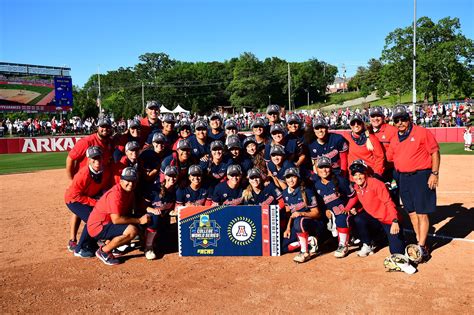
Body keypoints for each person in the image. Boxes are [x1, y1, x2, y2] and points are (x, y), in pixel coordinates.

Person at [386, 105, 440, 262]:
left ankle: (422, 247)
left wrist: (434, 174)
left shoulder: (422, 132)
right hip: (403, 178)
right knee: (411, 213)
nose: (400, 122)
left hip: (421, 176)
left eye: (403, 119)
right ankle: (419, 242)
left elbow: (435, 152)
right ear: (394, 122)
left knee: (422, 212)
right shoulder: (394, 138)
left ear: (408, 119)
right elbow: (389, 157)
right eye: (397, 120)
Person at [87, 167, 151, 265]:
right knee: (132, 231)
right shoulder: (116, 194)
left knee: (137, 223)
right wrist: (139, 221)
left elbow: (128, 213)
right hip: (98, 227)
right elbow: (116, 220)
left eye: (133, 180)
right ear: (121, 180)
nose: (131, 183)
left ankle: (111, 244)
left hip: (107, 223)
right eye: (128, 180)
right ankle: (103, 251)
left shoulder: (129, 192)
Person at [349, 160, 406, 257]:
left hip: (387, 219)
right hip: (374, 218)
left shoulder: (376, 184)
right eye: (355, 175)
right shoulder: (357, 187)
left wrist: (395, 221)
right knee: (357, 219)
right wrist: (354, 209)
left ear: (366, 173)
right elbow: (366, 201)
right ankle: (368, 244)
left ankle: (394, 236)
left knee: (397, 253)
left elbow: (389, 203)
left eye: (360, 174)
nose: (358, 177)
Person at [64, 146, 113, 256]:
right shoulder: (82, 175)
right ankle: (80, 249)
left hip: (89, 196)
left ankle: (92, 243)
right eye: (93, 159)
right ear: (88, 160)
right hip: (73, 199)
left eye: (99, 158)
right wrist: (95, 202)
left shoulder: (105, 171)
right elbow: (75, 195)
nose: (97, 162)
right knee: (92, 219)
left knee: (101, 216)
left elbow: (104, 186)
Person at [281, 167, 322, 263]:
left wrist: (301, 213)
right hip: (297, 225)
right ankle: (309, 241)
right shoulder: (285, 193)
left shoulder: (306, 190)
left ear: (298, 178)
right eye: (288, 177)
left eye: (293, 177)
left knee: (300, 220)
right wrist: (287, 228)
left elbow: (317, 213)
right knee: (283, 247)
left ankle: (304, 252)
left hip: (313, 224)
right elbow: (291, 214)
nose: (290, 180)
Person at [143, 165, 178, 260]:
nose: (172, 178)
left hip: (164, 220)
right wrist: (153, 210)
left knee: (164, 245)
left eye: (174, 176)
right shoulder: (155, 188)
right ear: (165, 176)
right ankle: (148, 247)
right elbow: (143, 207)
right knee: (155, 216)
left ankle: (156, 241)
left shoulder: (176, 191)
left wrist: (173, 212)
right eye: (170, 176)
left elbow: (170, 208)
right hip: (149, 218)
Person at [343, 114, 385, 180]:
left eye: (358, 123)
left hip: (369, 175)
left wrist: (377, 174)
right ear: (350, 125)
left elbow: (380, 157)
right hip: (354, 177)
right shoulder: (346, 137)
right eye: (353, 123)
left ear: (362, 124)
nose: (356, 125)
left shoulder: (372, 138)